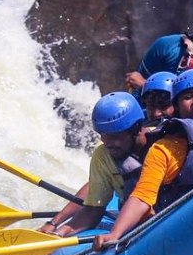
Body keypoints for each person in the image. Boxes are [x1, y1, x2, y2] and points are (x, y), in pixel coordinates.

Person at [93, 69, 193, 249]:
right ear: (177, 105)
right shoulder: (163, 149)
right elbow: (142, 196)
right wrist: (115, 234)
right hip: (188, 234)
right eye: (188, 97)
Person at [41, 92, 147, 236]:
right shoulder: (103, 155)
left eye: (114, 136)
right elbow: (94, 209)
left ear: (136, 129)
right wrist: (59, 233)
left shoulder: (161, 147)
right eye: (103, 135)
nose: (107, 143)